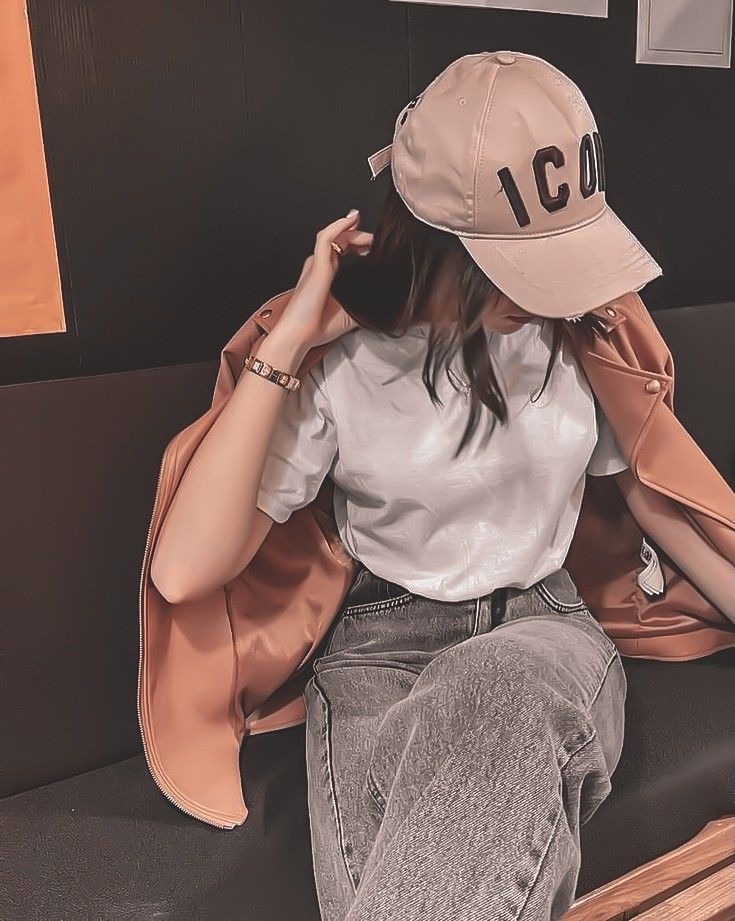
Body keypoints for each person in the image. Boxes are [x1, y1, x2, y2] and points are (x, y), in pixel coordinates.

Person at [150, 53, 665, 919]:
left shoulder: (583, 332)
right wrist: (290, 342)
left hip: (542, 630)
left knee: (496, 691)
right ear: (438, 233)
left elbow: (663, 498)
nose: (546, 285)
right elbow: (182, 573)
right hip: (378, 655)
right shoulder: (338, 364)